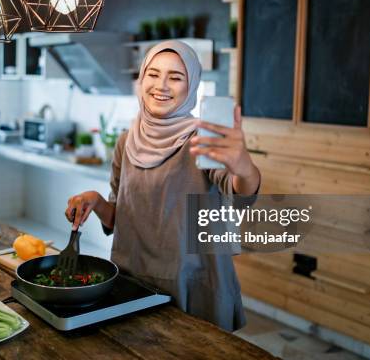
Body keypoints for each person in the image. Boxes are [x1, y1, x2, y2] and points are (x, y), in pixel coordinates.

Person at [65, 40, 261, 331]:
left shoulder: (202, 138)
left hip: (190, 282)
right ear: (142, 78)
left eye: (176, 77)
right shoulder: (126, 140)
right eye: (153, 74)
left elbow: (241, 192)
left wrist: (243, 166)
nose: (162, 85)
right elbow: (121, 217)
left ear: (192, 85)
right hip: (134, 277)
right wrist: (96, 201)